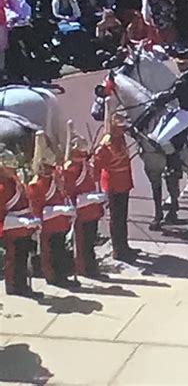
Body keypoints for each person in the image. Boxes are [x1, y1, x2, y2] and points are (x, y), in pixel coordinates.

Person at [148, 50, 188, 183]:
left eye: (181, 64)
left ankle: (175, 168)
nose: (179, 66)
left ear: (186, 65)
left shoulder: (182, 80)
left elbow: (171, 95)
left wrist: (157, 98)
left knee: (162, 139)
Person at [28, 131, 77, 288]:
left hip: (60, 223)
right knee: (50, 253)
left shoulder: (54, 178)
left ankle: (62, 275)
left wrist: (67, 210)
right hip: (48, 225)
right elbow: (38, 210)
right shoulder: (37, 184)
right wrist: (60, 211)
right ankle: (53, 277)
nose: (51, 169)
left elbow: (62, 193)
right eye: (48, 166)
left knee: (60, 251)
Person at [62, 127, 106, 277]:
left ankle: (91, 267)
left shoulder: (84, 164)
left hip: (91, 210)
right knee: (82, 243)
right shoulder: (72, 168)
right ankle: (84, 269)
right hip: (82, 210)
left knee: (90, 241)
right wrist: (91, 199)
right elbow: (70, 193)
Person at [94, 112, 138, 262]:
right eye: (120, 127)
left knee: (123, 217)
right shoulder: (106, 144)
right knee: (116, 218)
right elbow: (98, 166)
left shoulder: (121, 139)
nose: (123, 129)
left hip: (124, 182)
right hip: (113, 184)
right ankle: (117, 249)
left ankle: (124, 245)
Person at [0, 147, 41, 297]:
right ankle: (14, 286)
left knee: (23, 257)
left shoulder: (14, 180)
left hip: (23, 225)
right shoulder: (2, 186)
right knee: (14, 258)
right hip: (12, 228)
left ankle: (23, 285)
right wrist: (20, 221)